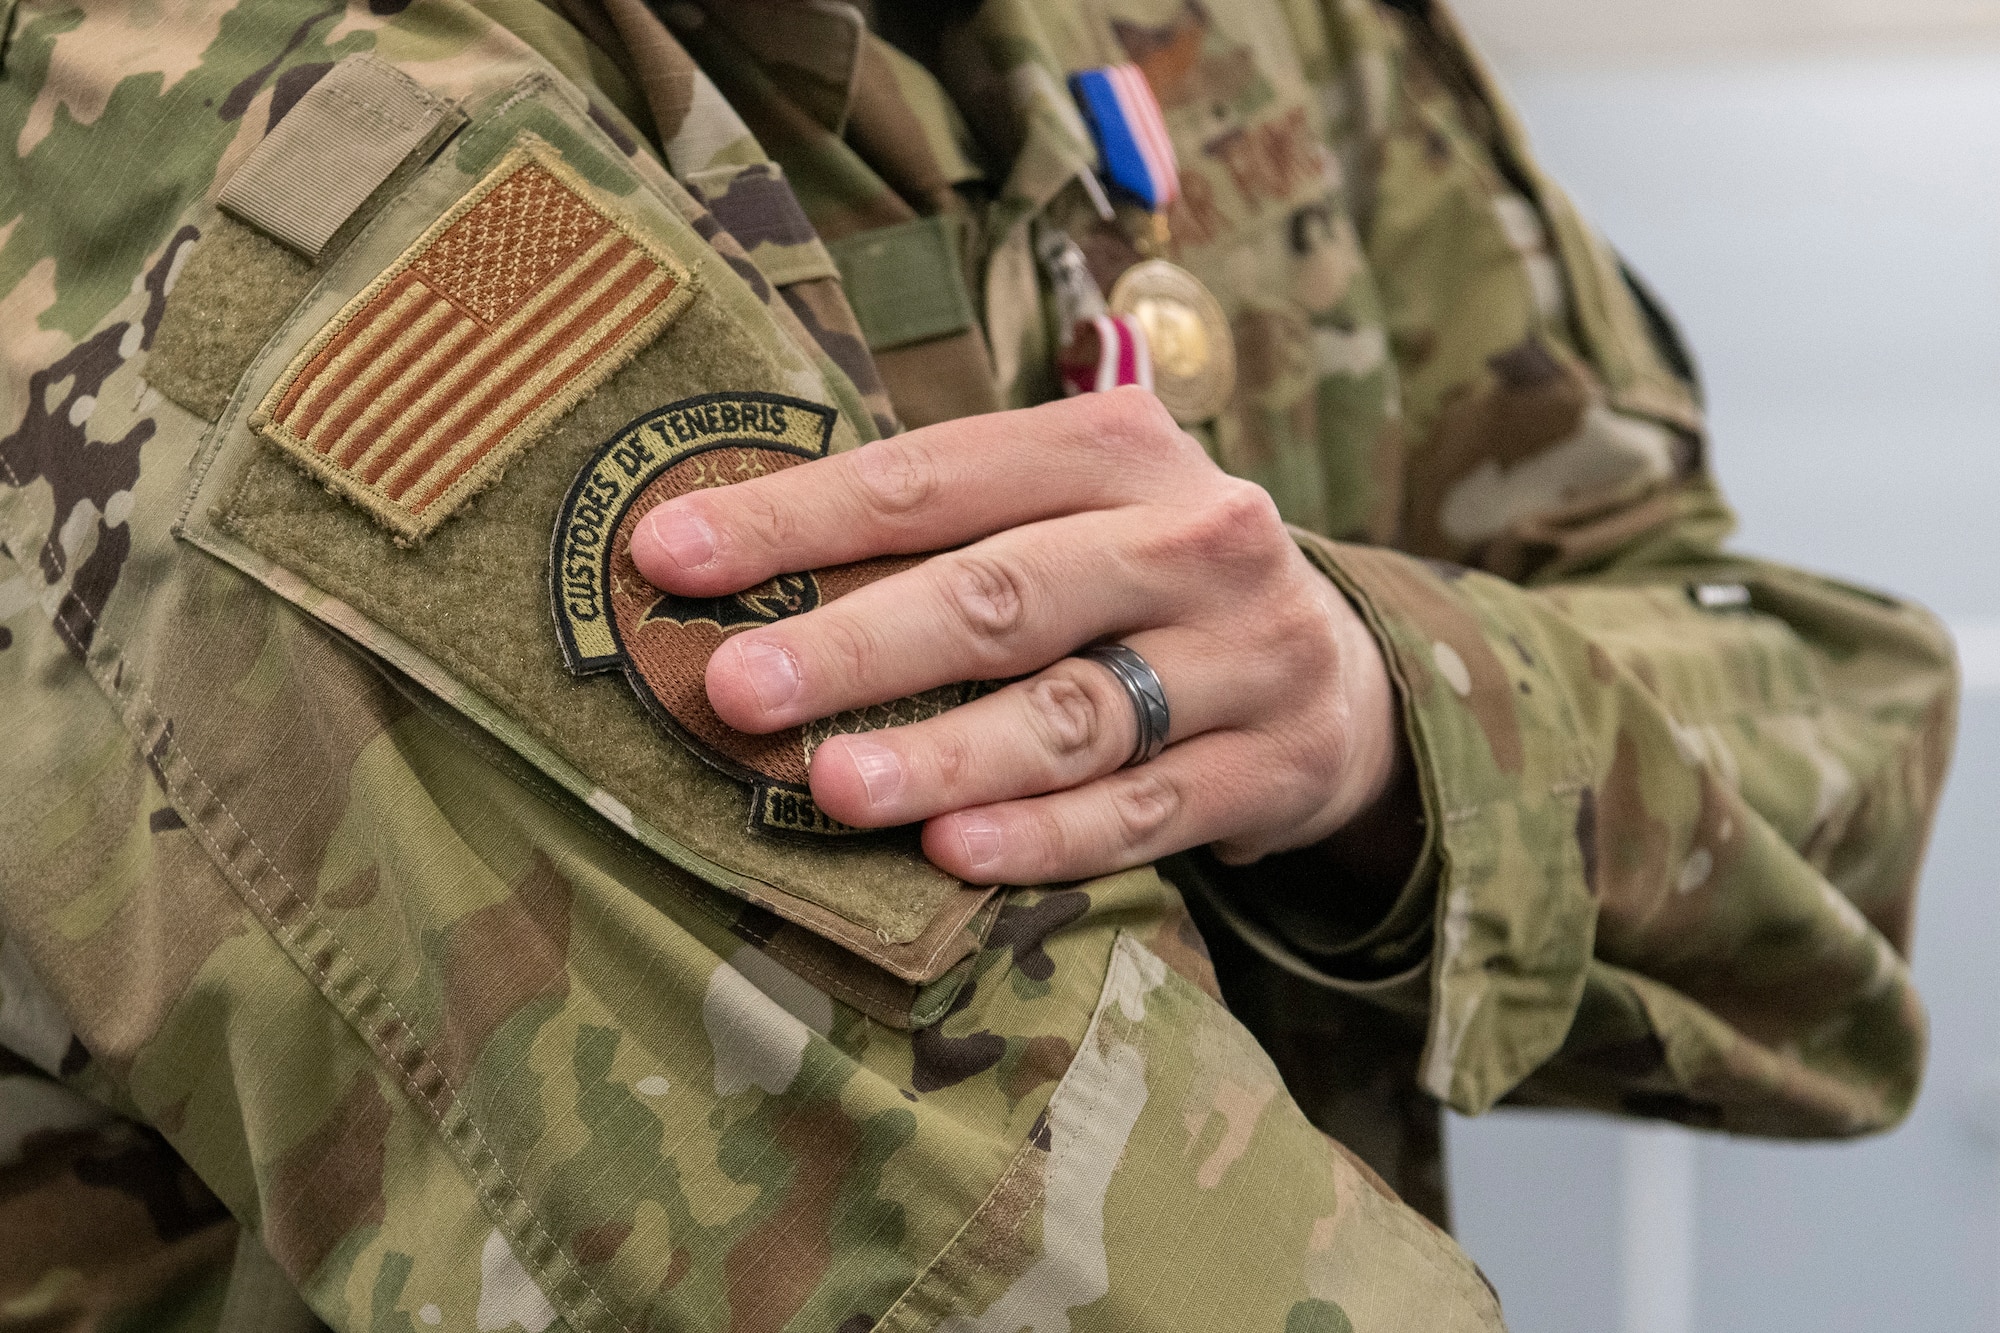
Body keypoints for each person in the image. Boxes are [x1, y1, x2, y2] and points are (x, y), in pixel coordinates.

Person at [0, 0, 1957, 1328]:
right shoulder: (237, 117)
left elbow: (1827, 733)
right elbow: (1019, 1256)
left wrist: (1387, 697)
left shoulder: (1262, 37)